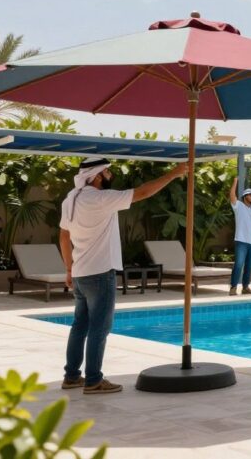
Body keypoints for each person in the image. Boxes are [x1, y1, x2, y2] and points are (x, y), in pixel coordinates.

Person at [60, 158, 188, 394]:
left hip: (80, 273)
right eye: (107, 172)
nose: (110, 175)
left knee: (79, 326)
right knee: (99, 328)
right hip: (100, 273)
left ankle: (71, 376)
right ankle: (94, 380)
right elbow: (142, 193)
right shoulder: (100, 199)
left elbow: (64, 237)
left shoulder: (71, 199)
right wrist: (173, 173)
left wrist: (69, 269)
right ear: (97, 175)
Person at [229, 177, 251, 296]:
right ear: (245, 197)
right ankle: (233, 287)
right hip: (241, 241)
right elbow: (232, 196)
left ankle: (245, 287)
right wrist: (235, 182)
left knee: (249, 266)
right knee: (239, 264)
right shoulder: (238, 206)